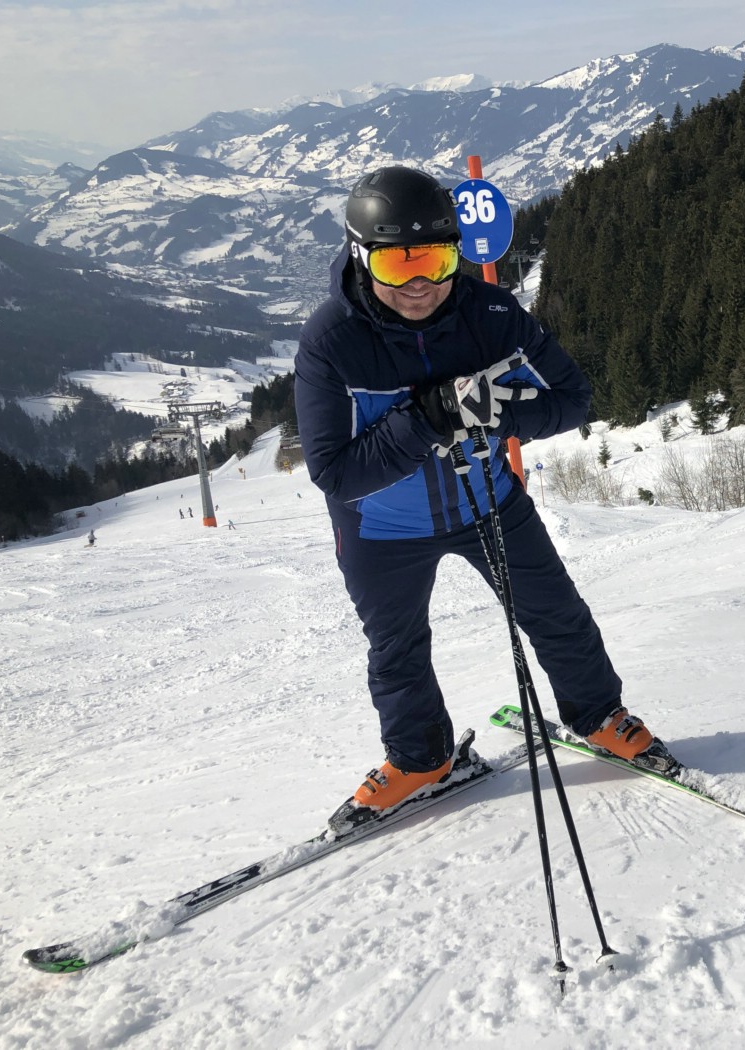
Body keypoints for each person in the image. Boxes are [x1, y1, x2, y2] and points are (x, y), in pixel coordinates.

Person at [294, 165, 662, 824]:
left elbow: (572, 398)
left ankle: (599, 715)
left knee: (557, 614)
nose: (420, 284)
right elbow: (334, 472)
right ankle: (420, 759)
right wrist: (424, 421)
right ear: (360, 255)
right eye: (398, 264)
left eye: (437, 261)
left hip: (488, 501)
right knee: (397, 649)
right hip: (381, 528)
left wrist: (500, 414)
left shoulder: (490, 315)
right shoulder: (331, 341)